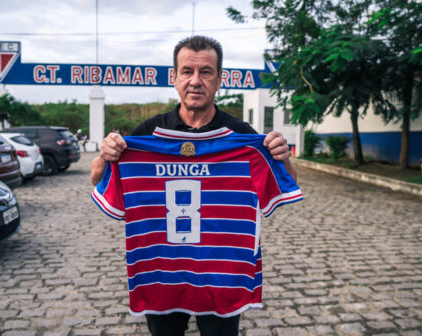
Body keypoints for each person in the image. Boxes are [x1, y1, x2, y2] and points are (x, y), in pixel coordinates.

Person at [91, 35, 297, 335]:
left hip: (222, 276)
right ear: (174, 78)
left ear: (219, 79)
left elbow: (285, 185)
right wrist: (103, 159)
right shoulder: (147, 135)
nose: (196, 81)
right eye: (187, 71)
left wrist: (282, 157)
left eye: (206, 72)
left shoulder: (242, 137)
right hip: (162, 276)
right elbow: (99, 181)